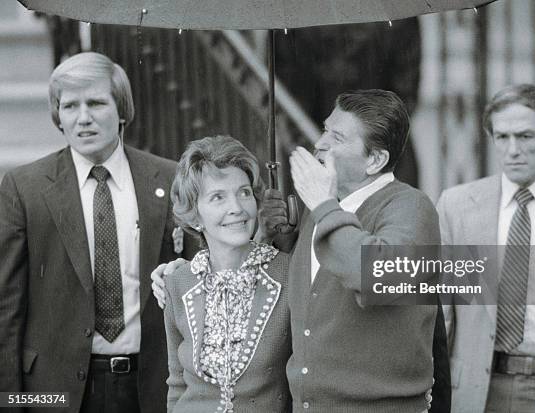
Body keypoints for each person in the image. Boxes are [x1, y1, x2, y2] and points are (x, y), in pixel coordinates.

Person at [154, 89, 442, 412]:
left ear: (375, 160)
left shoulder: (410, 206)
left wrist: (322, 204)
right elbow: (319, 294)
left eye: (337, 137)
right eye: (324, 130)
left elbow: (377, 276)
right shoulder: (318, 211)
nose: (320, 144)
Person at [0, 52, 196, 413]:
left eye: (96, 103)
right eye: (70, 105)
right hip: (54, 394)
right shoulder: (23, 188)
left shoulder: (168, 180)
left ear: (121, 111)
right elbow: (6, 309)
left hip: (152, 389)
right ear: (58, 116)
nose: (83, 118)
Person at [437, 84, 535, 412]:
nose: (512, 150)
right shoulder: (458, 206)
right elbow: (443, 309)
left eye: (524, 136)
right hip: (474, 388)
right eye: (501, 137)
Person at [163, 136, 291, 412]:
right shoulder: (177, 282)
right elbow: (176, 386)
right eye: (218, 197)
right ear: (194, 217)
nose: (237, 207)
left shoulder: (289, 274)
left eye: (244, 192)